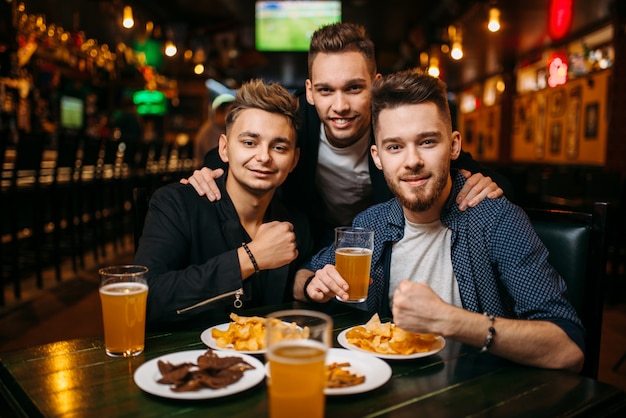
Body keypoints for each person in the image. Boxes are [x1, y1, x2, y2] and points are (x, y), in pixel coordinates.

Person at [295, 70, 584, 372]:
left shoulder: (495, 219)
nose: (412, 161)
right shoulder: (372, 223)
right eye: (394, 147)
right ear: (377, 156)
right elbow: (304, 276)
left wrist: (451, 320)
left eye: (428, 142)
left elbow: (568, 349)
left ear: (454, 145)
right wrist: (314, 283)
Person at [182, 23, 511, 251]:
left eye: (354, 88)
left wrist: (490, 183)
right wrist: (207, 172)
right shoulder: (292, 120)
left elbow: (464, 166)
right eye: (326, 90)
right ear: (310, 92)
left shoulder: (395, 122)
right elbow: (237, 150)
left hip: (382, 244)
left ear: (376, 85)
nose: (339, 106)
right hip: (308, 245)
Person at [134, 79, 311, 331]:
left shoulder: (295, 225)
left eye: (279, 147)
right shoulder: (176, 205)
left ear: (294, 160)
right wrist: (250, 258)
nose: (263, 157)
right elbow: (143, 299)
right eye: (249, 143)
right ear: (224, 149)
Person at [193, 93, 235, 166]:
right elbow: (215, 157)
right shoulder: (210, 131)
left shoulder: (218, 128)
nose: (233, 117)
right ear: (220, 113)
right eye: (230, 113)